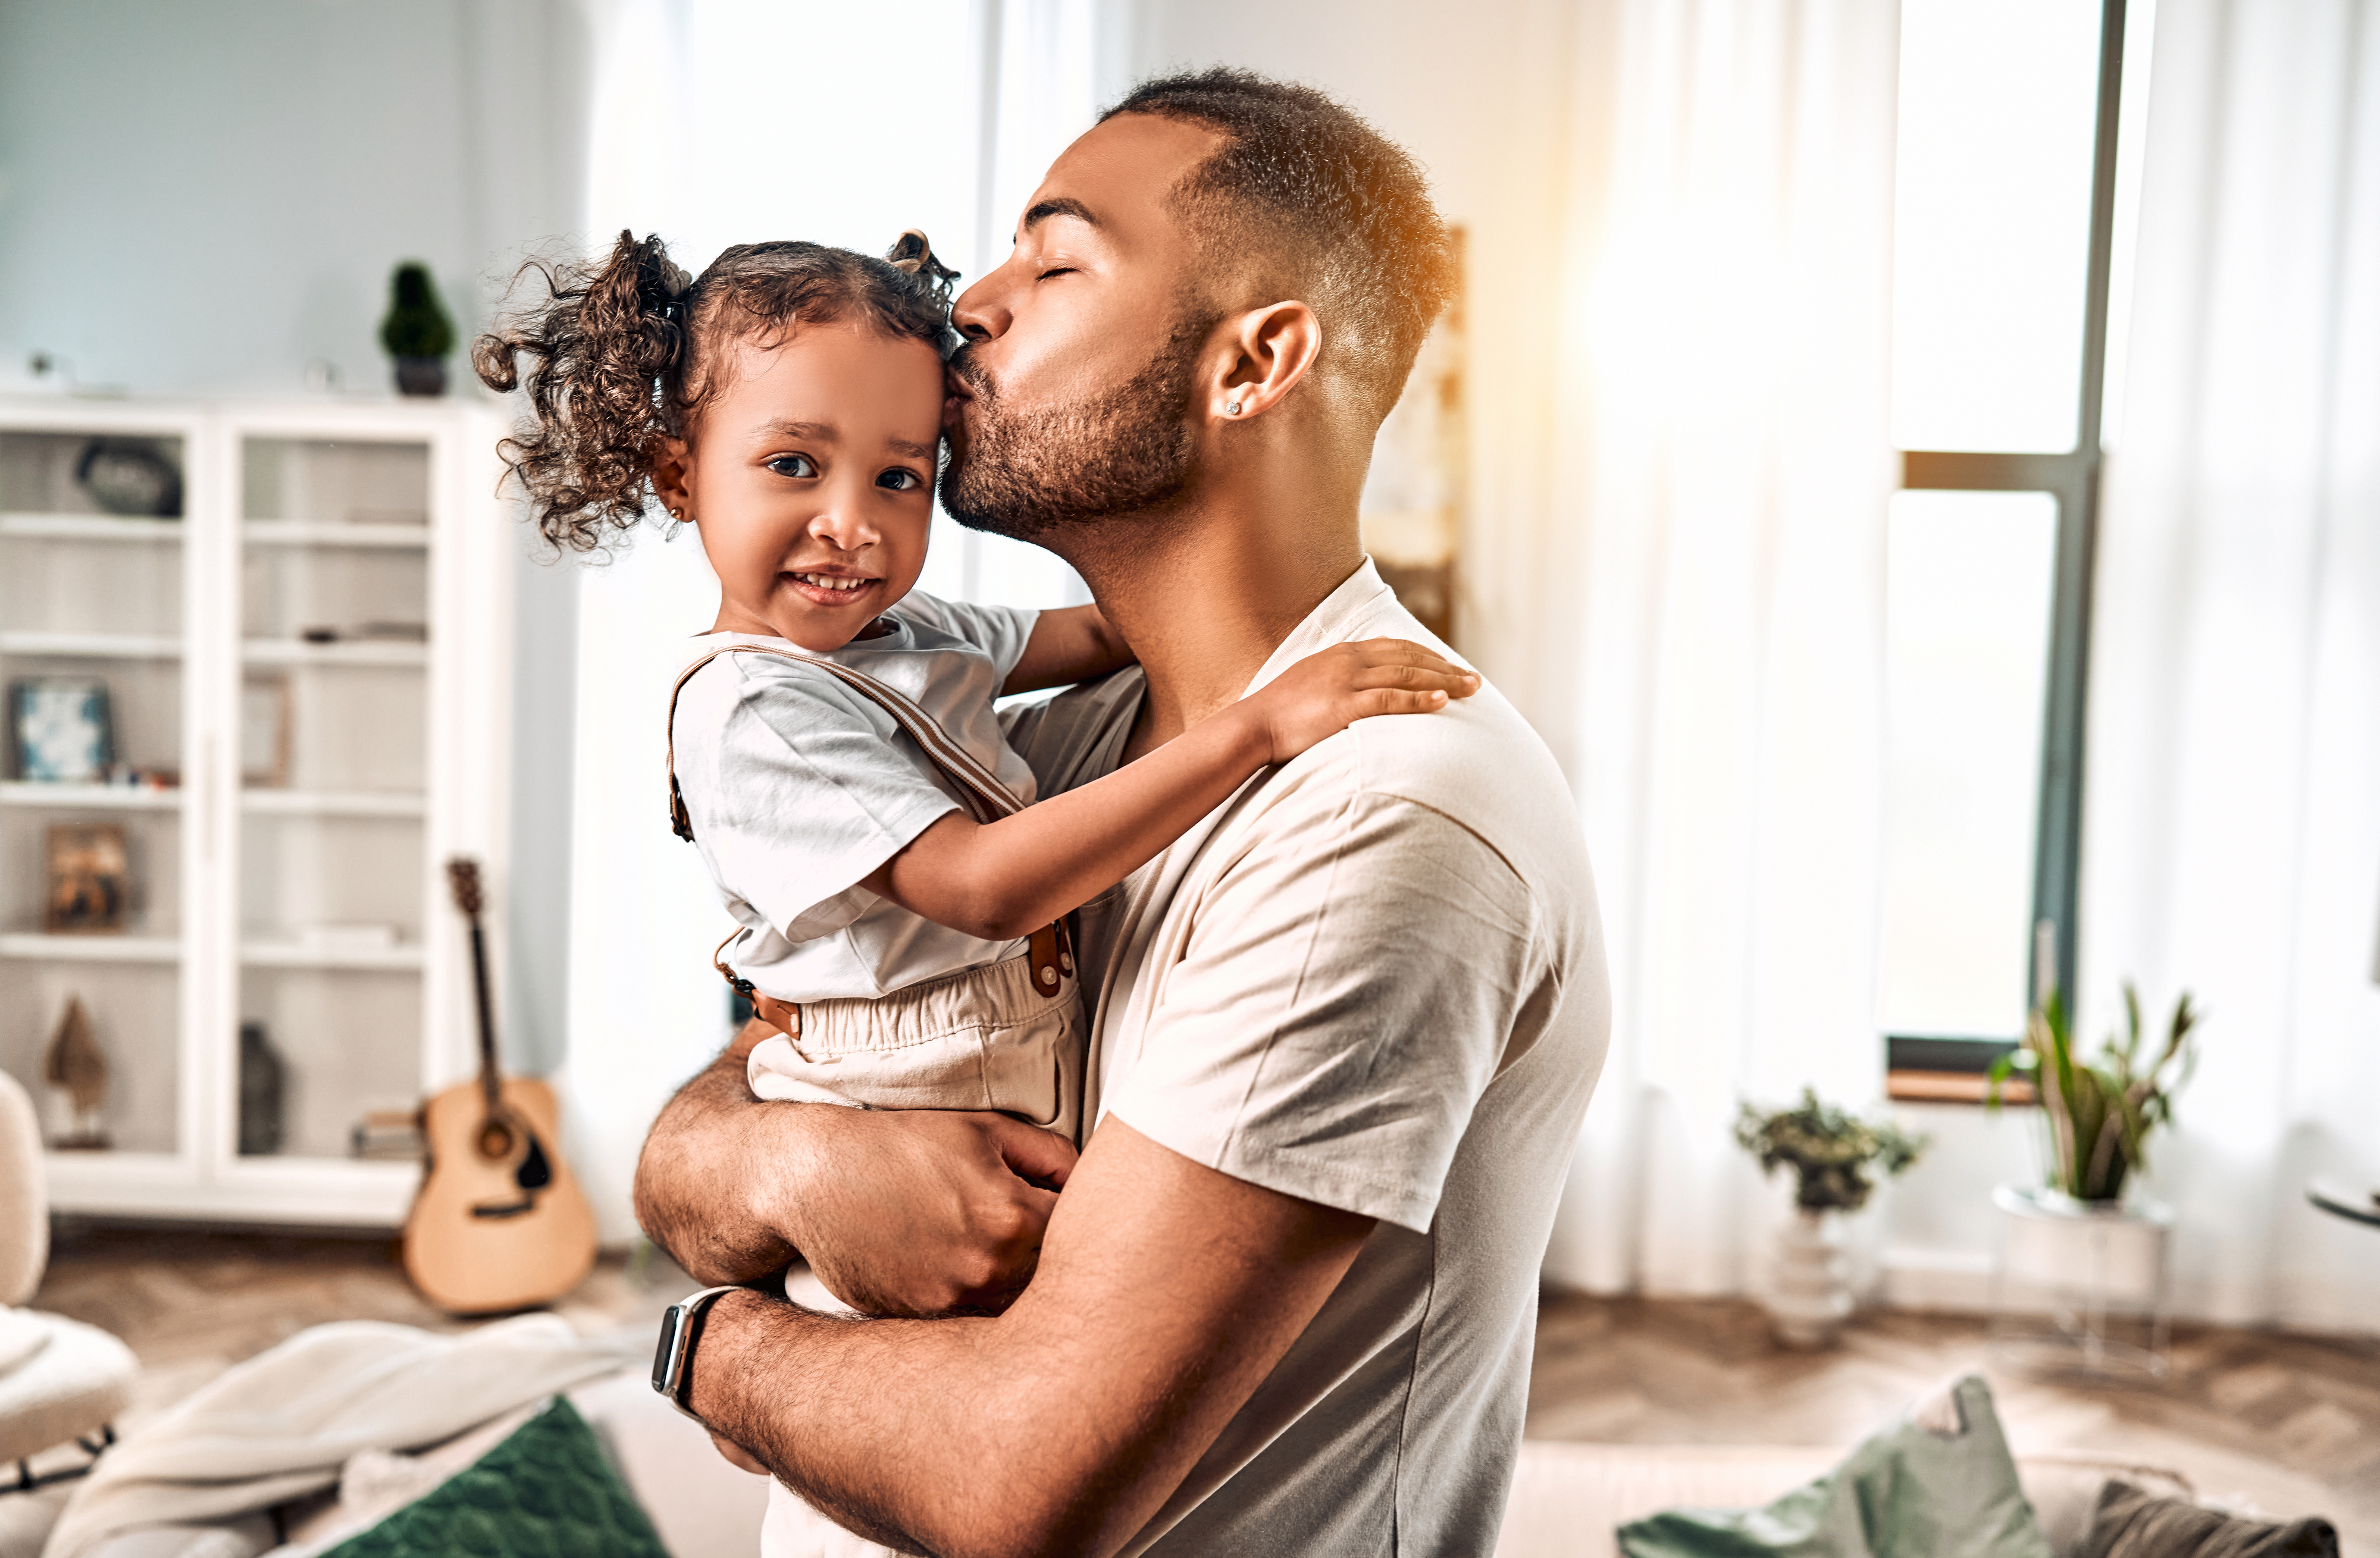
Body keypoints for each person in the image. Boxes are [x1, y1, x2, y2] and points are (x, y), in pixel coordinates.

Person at [634, 67, 1611, 1557]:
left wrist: (705, 1348)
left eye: (1057, 257)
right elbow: (733, 1097)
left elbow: (1012, 1481)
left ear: (1256, 360)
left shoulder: (1385, 814)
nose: (970, 302)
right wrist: (803, 1164)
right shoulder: (1047, 742)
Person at [471, 230, 1474, 1167]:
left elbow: (1110, 630)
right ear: (678, 474)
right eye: (792, 466)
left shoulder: (916, 630)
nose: (851, 524)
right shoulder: (751, 706)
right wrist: (1256, 728)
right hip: (895, 1095)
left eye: (899, 477)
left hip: (1002, 1063)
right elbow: (984, 891)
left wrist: (1257, 536)